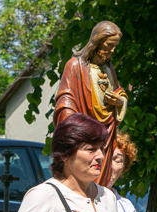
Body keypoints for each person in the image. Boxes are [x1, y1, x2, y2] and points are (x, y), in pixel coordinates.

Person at [54, 20, 127, 187]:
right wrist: (76, 128)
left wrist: (119, 101)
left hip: (107, 133)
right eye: (109, 45)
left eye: (115, 46)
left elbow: (119, 91)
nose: (112, 50)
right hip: (85, 135)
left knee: (101, 180)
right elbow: (65, 100)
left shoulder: (109, 69)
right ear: (97, 42)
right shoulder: (75, 66)